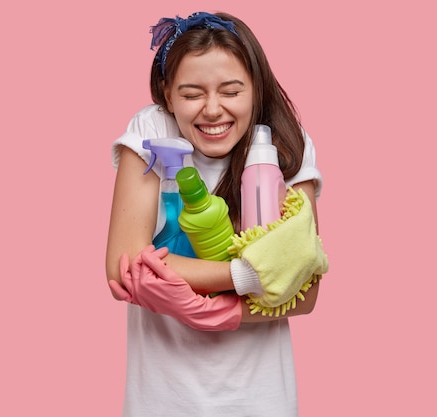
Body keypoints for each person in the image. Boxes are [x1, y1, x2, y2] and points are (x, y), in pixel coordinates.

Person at [106, 11, 328, 417]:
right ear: (166, 94)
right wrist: (248, 277)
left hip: (261, 401)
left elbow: (305, 292)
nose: (212, 110)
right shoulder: (153, 131)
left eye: (231, 91)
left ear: (256, 90)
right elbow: (123, 266)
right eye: (191, 94)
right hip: (162, 401)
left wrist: (213, 311)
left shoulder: (288, 147)